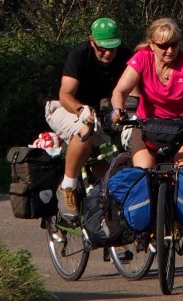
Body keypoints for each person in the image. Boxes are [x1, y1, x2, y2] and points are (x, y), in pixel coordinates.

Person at [45, 16, 130, 220]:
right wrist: (80, 109)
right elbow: (65, 94)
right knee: (85, 132)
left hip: (96, 111)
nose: (108, 53)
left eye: (113, 48)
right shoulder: (79, 55)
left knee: (110, 157)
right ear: (92, 41)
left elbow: (133, 91)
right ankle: (68, 187)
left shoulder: (126, 57)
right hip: (63, 106)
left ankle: (106, 210)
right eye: (102, 48)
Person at [110, 16, 183, 168]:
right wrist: (118, 109)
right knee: (143, 170)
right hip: (146, 125)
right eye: (163, 46)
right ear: (152, 45)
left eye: (174, 45)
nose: (170, 50)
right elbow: (120, 91)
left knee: (182, 166)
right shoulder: (141, 58)